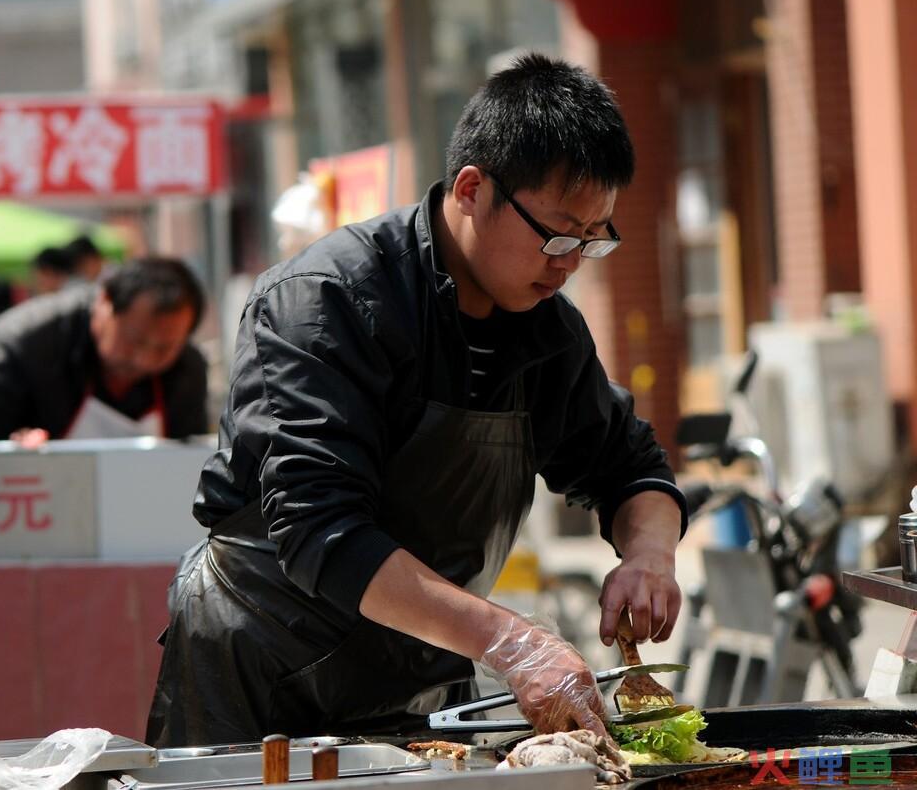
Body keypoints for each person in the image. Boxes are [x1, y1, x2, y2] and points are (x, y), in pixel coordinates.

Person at [147, 55, 689, 747]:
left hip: (420, 665)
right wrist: (511, 643)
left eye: (593, 240)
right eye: (557, 234)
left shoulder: (545, 325)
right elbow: (322, 529)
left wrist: (650, 557)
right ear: (471, 189)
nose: (570, 262)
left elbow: (628, 463)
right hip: (262, 670)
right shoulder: (326, 299)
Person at [0, 257, 209, 443]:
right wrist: (9, 451)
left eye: (164, 348)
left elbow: (189, 457)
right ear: (104, 303)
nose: (143, 359)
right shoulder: (21, 343)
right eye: (134, 341)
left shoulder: (189, 368)